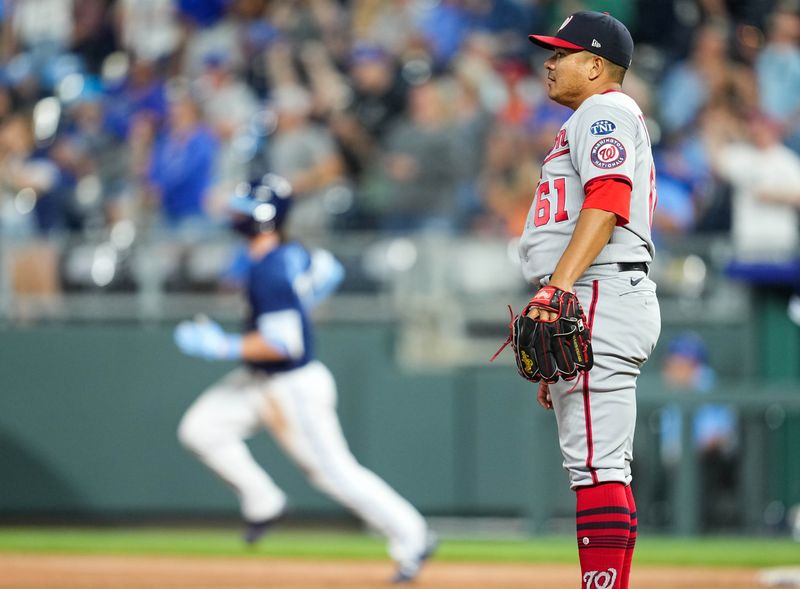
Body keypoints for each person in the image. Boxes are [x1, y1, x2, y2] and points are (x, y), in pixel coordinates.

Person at [173, 173, 436, 584]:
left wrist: (222, 345)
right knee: (200, 429)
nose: (235, 213)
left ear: (262, 216)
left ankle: (413, 535)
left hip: (291, 385)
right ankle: (262, 500)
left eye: (244, 207)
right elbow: (324, 272)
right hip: (260, 381)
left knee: (335, 474)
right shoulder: (283, 255)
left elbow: (285, 343)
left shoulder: (271, 268)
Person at [520, 12, 661, 589]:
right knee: (602, 464)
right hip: (598, 292)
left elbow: (606, 202)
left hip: (597, 288)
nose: (549, 62)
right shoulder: (596, 116)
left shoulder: (603, 110)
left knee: (598, 468)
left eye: (562, 53)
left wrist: (558, 288)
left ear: (596, 65)